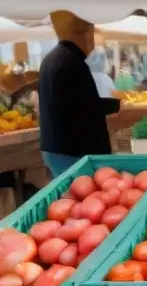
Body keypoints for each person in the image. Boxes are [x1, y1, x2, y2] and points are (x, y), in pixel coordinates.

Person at [37, 12, 120, 178]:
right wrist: (116, 105)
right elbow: (82, 106)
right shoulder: (71, 61)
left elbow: (72, 101)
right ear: (84, 34)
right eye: (91, 34)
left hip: (56, 147)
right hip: (72, 151)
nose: (93, 43)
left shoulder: (52, 59)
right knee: (80, 197)